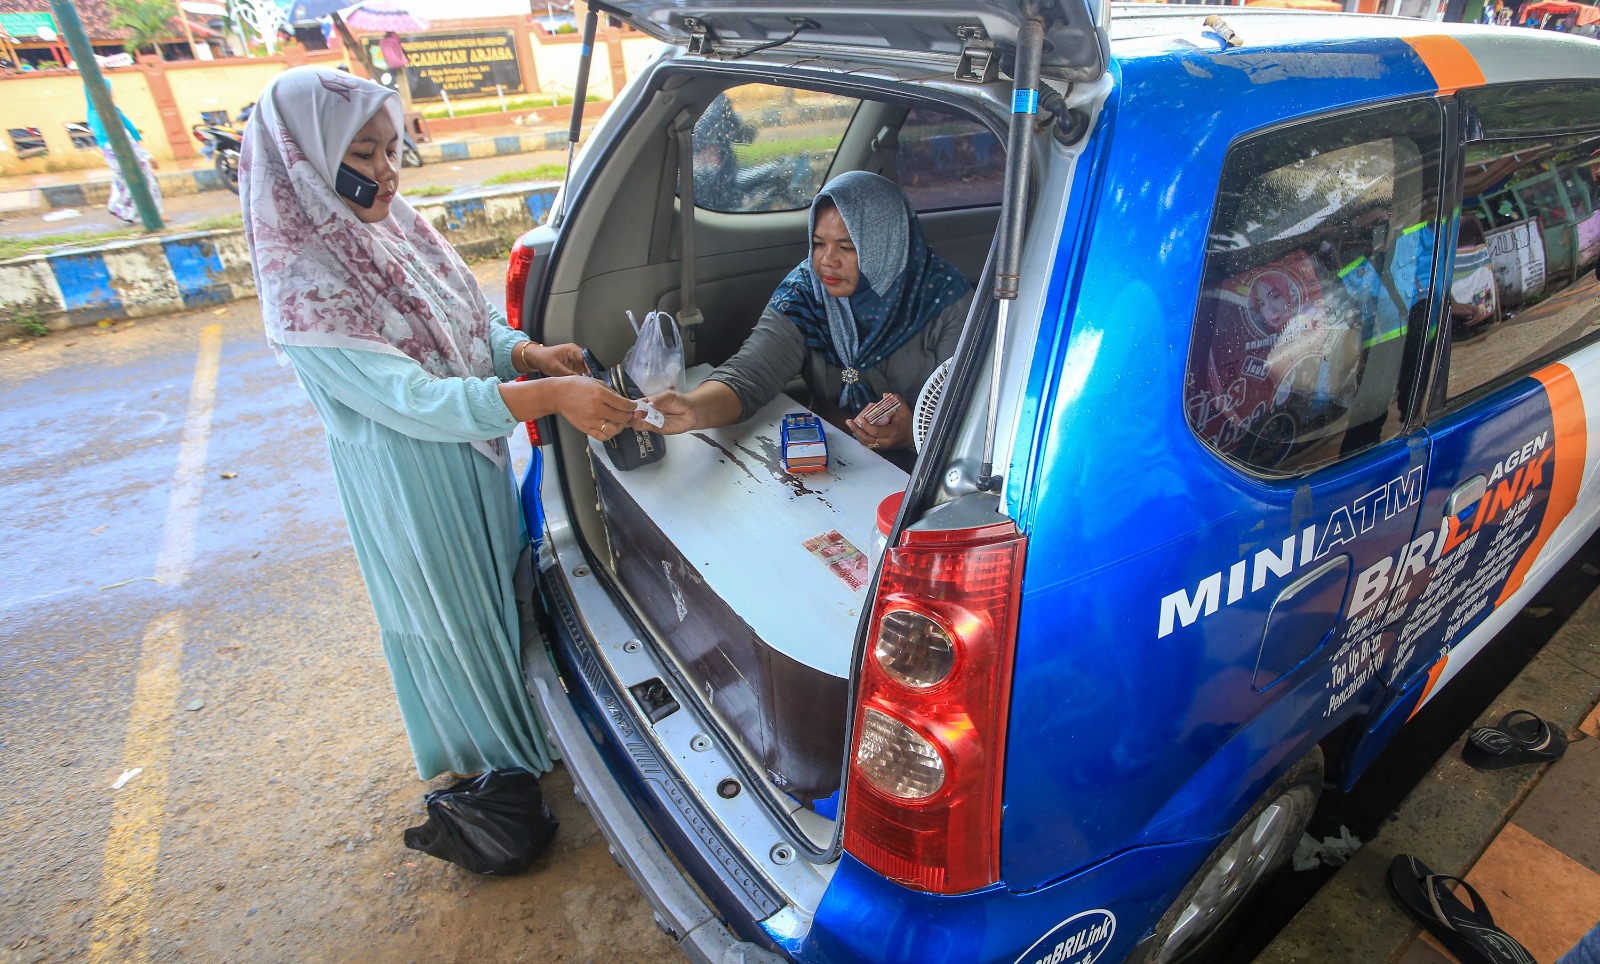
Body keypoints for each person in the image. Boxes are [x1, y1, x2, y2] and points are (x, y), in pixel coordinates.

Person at [239, 66, 637, 781]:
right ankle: (500, 765)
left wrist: (530, 353)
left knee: (502, 597)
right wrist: (549, 397)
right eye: (363, 155)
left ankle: (535, 728)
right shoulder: (307, 287)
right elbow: (417, 399)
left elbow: (466, 323)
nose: (387, 174)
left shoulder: (392, 228)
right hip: (416, 484)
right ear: (305, 157)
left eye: (393, 150)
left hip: (474, 454)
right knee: (459, 622)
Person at [638, 171, 973, 454]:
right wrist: (693, 409)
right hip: (829, 450)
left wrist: (910, 435)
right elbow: (751, 372)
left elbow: (970, 422)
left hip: (922, 469)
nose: (826, 261)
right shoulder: (807, 291)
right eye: (818, 243)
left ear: (886, 247)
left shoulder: (943, 301)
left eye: (846, 247)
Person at [84, 93, 163, 224]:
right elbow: (123, 135)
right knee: (146, 183)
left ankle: (121, 208)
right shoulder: (106, 113)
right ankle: (154, 215)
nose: (112, 96)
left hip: (112, 153)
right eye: (109, 93)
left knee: (122, 182)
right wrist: (147, 156)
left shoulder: (94, 113)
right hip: (123, 151)